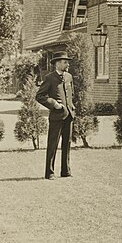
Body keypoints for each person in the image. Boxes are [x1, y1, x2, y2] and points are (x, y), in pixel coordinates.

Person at [36, 51, 76, 180]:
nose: (67, 64)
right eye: (64, 62)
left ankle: (66, 171)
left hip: (69, 115)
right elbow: (40, 96)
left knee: (67, 144)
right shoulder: (50, 78)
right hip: (57, 116)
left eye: (67, 62)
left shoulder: (69, 77)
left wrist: (71, 107)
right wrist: (54, 104)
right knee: (53, 144)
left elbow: (71, 94)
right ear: (57, 64)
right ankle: (50, 172)